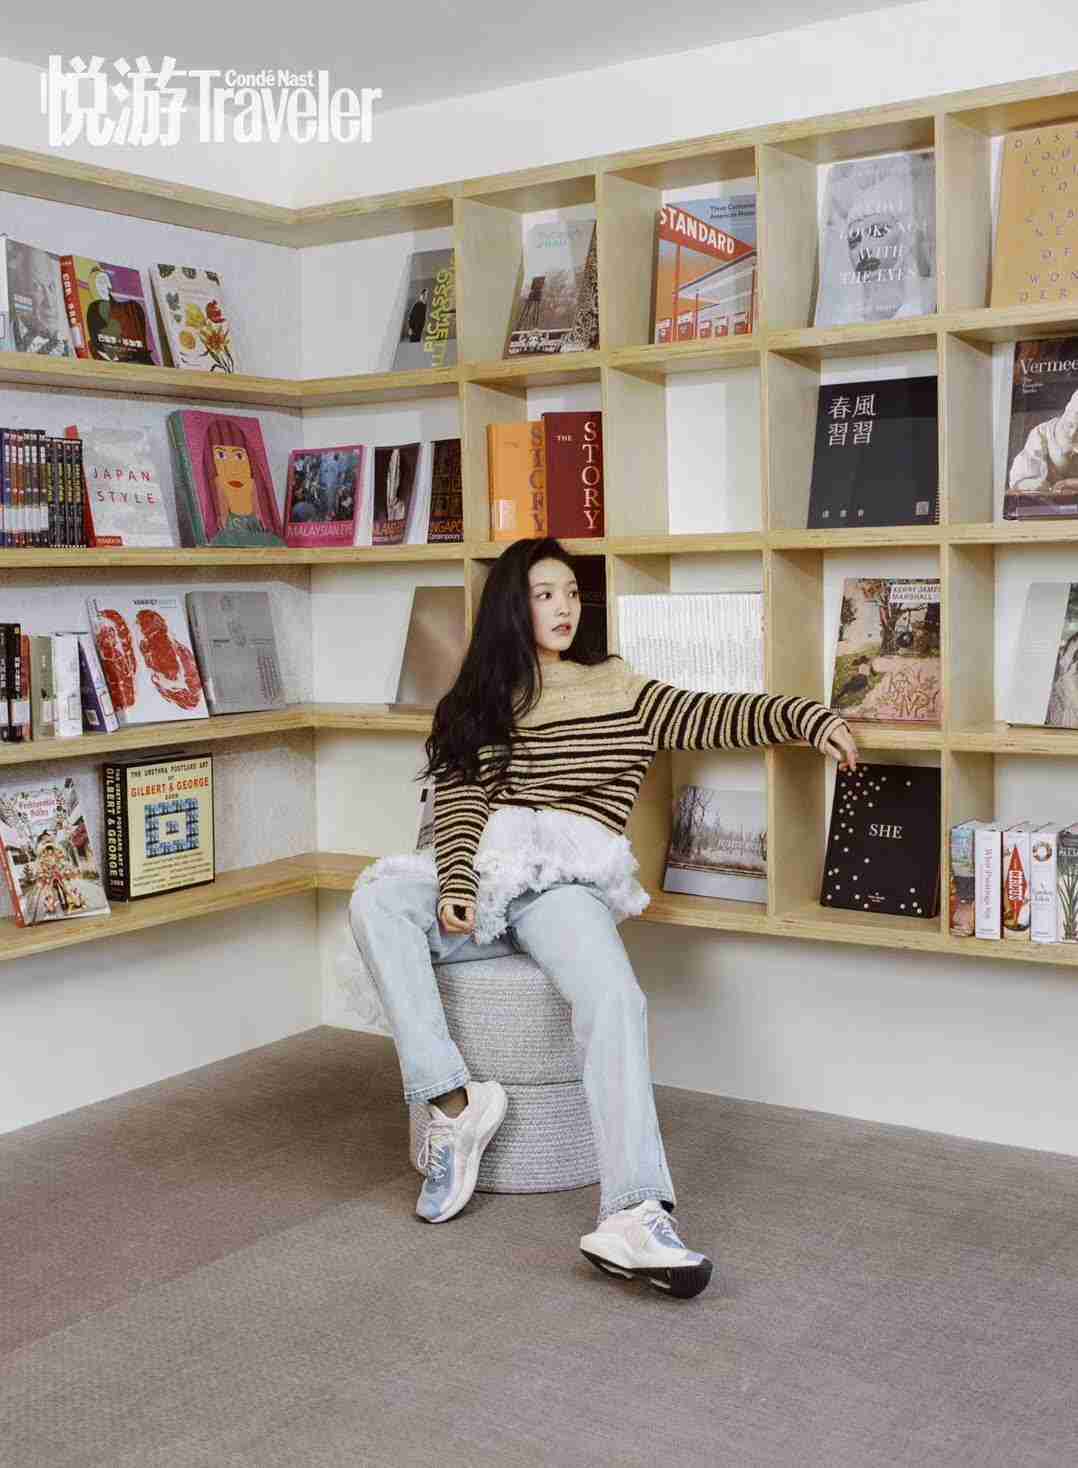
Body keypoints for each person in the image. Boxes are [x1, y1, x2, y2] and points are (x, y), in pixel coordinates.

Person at [348, 537, 859, 1300]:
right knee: (376, 899)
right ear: (511, 607)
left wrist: (807, 717)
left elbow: (711, 713)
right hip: (489, 873)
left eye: (569, 593)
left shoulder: (617, 686)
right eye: (543, 594)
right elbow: (459, 799)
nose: (563, 607)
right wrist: (454, 879)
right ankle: (452, 1102)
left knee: (614, 997)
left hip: (565, 881)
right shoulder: (477, 700)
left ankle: (634, 1212)